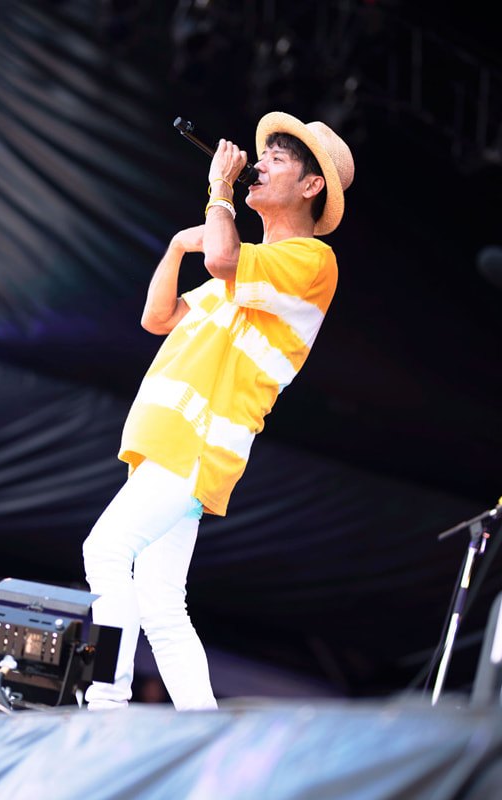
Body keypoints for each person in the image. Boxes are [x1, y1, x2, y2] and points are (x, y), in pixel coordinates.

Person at [82, 111, 355, 711]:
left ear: (312, 186)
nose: (260, 164)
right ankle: (201, 732)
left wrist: (220, 192)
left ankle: (105, 705)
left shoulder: (312, 261)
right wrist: (179, 244)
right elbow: (158, 318)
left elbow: (224, 261)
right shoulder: (244, 274)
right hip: (172, 442)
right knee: (161, 601)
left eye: (277, 160)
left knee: (104, 552)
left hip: (198, 443)